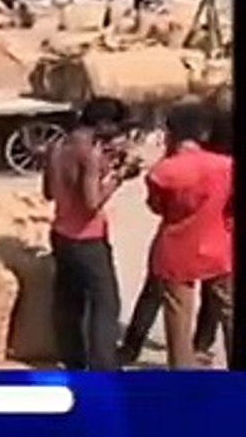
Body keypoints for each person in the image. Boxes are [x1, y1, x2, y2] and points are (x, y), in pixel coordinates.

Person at [43, 97, 139, 370]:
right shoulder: (90, 152)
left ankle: (72, 359)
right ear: (103, 124)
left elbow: (49, 192)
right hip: (88, 238)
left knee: (69, 301)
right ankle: (104, 367)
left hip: (60, 233)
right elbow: (91, 203)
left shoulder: (57, 146)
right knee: (105, 305)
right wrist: (118, 176)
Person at [143, 102, 234, 369]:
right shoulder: (227, 166)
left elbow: (157, 208)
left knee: (178, 322)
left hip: (177, 251)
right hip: (219, 247)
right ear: (204, 133)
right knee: (229, 313)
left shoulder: (162, 172)